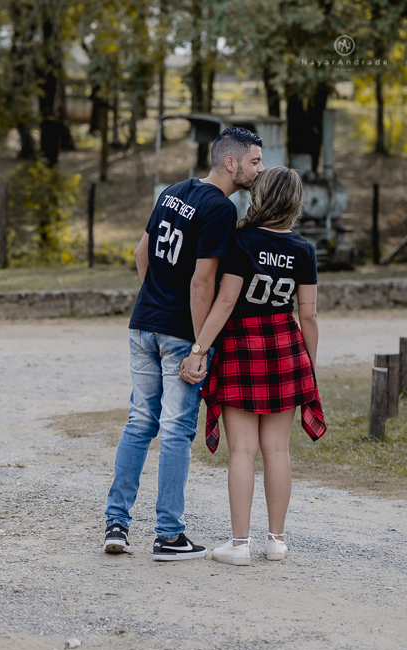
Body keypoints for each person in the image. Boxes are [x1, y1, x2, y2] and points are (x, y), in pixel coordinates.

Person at [103, 127, 265, 561]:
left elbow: (142, 254)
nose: (259, 169)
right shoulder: (220, 210)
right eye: (254, 162)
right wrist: (199, 347)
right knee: (175, 430)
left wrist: (155, 300)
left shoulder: (173, 190)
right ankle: (169, 535)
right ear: (231, 164)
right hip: (179, 333)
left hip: (143, 324)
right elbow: (202, 282)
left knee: (139, 423)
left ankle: (116, 525)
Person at [179, 166, 325, 566]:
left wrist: (199, 348)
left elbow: (225, 302)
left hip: (242, 344)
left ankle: (239, 545)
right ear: (296, 202)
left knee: (242, 451)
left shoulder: (240, 239)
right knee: (277, 449)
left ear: (259, 196)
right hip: (284, 345)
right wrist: (308, 366)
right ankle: (276, 542)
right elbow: (308, 316)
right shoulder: (304, 249)